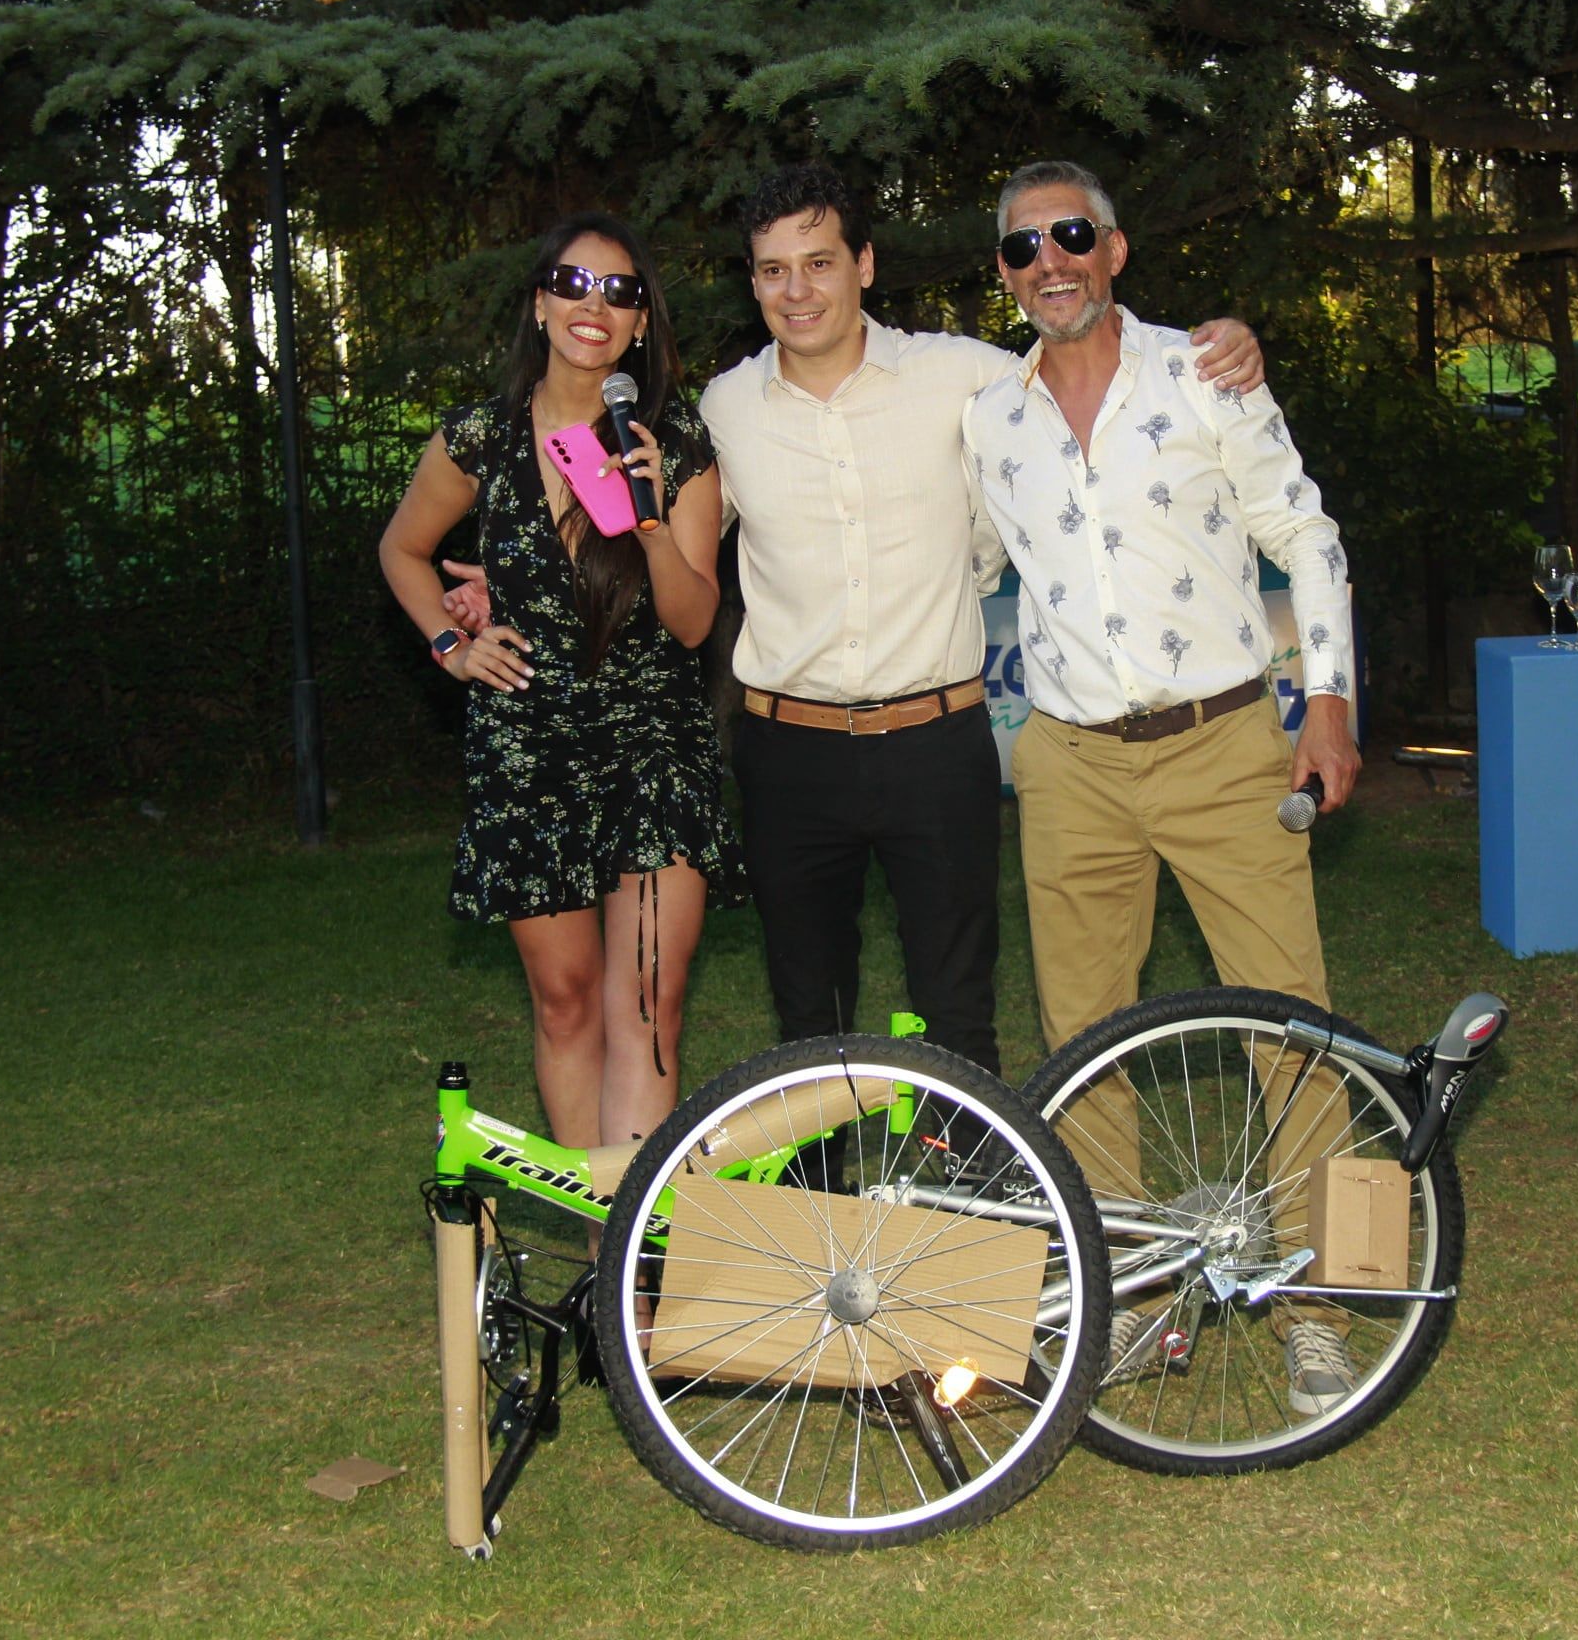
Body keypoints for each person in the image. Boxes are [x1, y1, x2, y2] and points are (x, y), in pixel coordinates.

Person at [448, 165, 1262, 1080]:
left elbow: (1084, 348)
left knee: (959, 1013)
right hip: (787, 753)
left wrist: (1214, 345)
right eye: (772, 270)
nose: (797, 291)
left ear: (865, 265)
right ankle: (821, 1216)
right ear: (753, 282)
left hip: (937, 742)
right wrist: (505, 588)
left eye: (820, 263)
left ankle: (969, 1214)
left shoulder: (966, 375)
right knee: (807, 1022)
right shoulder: (722, 410)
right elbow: (658, 564)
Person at [960, 158, 1360, 1410]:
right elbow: (969, 566)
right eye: (1024, 247)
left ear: (1116, 248)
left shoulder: (1205, 371)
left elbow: (1304, 534)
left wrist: (1333, 700)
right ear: (1008, 273)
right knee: (1081, 1047)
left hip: (1226, 742)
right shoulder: (991, 417)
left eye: (1071, 235)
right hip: (1070, 764)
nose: (1050, 262)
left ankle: (1330, 1306)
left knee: (1291, 1027)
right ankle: (1129, 1303)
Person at [379, 212, 738, 1161]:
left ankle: (632, 1269)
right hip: (528, 753)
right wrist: (447, 649)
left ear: (640, 325)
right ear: (540, 305)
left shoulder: (677, 441)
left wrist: (653, 520)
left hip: (653, 747)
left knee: (647, 1004)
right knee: (568, 1001)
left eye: (621, 293)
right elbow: (404, 550)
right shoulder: (480, 438)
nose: (596, 307)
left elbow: (695, 624)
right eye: (575, 285)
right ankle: (597, 1245)